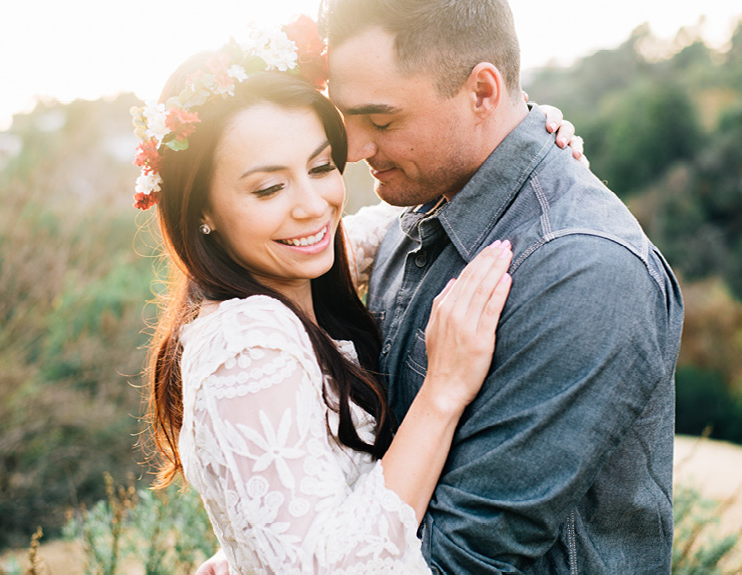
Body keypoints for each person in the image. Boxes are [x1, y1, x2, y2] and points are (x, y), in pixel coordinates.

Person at [137, 20, 524, 574]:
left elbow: (390, 222)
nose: (312, 205)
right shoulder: (246, 344)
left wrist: (515, 135)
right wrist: (443, 393)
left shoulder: (301, 272)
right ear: (202, 210)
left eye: (321, 167)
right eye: (269, 188)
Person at [312, 0, 683, 573]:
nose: (356, 148)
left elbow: (463, 558)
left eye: (381, 121)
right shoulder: (418, 210)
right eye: (346, 119)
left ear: (482, 93)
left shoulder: (584, 273)